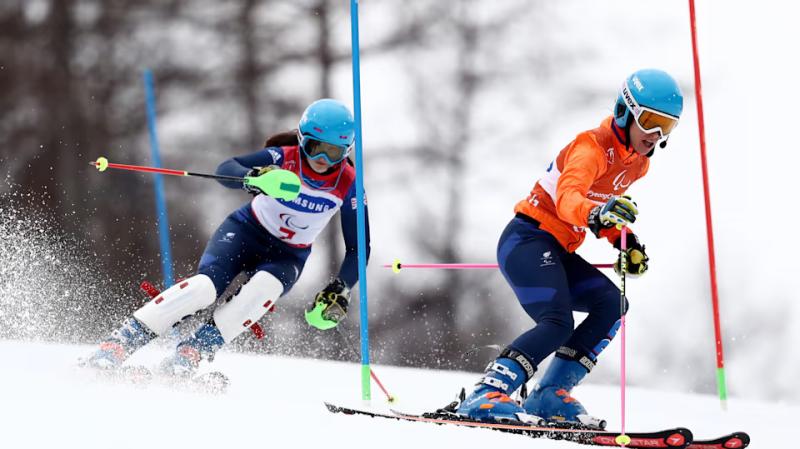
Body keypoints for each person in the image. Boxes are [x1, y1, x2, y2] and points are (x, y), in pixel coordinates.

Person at [455, 69, 683, 426]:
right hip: (527, 239)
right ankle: (486, 393)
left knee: (612, 304)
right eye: (650, 121)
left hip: (558, 248)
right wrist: (596, 213)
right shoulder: (591, 147)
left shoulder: (638, 164)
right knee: (558, 322)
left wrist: (625, 242)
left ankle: (549, 394)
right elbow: (568, 200)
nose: (656, 135)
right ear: (625, 111)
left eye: (666, 126)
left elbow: (602, 208)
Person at [82, 98, 370, 377]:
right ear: (301, 139)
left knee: (264, 290)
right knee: (204, 289)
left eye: (333, 153)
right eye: (315, 148)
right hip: (246, 232)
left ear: (347, 150)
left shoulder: (349, 184)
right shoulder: (284, 157)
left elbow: (359, 248)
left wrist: (341, 288)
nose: (321, 159)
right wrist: (255, 178)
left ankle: (190, 355)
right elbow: (226, 169)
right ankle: (119, 343)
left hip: (288, 255)